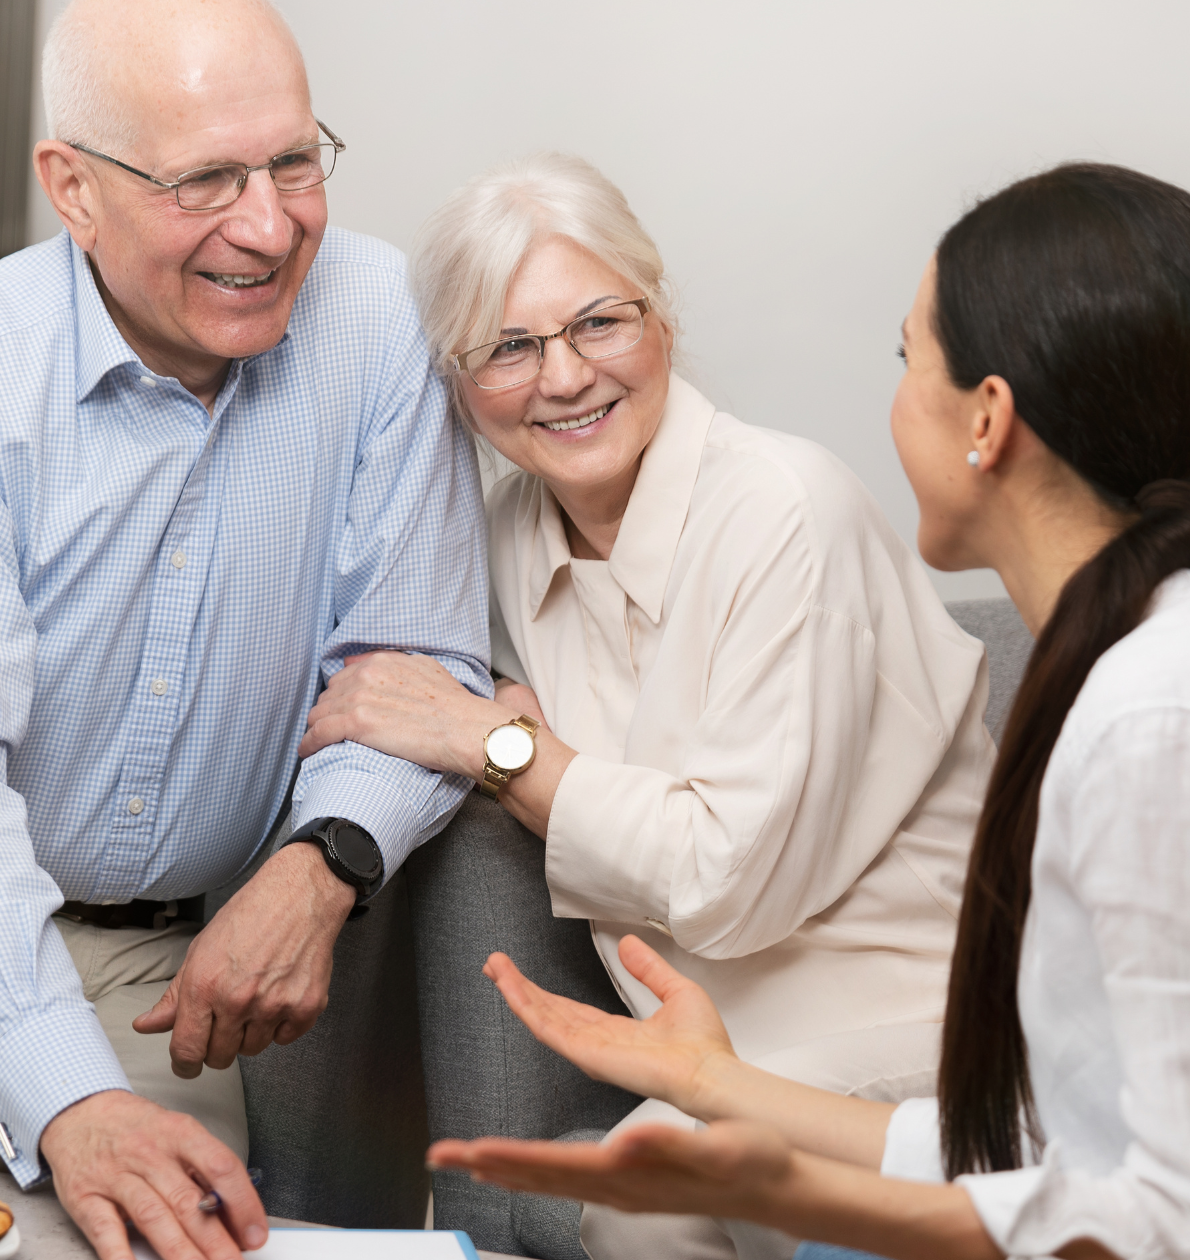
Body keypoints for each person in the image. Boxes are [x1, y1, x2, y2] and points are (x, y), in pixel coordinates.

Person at [426, 163, 1190, 1260]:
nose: (884, 407)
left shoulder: (1182, 729)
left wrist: (802, 1188)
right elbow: (1064, 1145)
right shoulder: (1146, 663)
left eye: (903, 360)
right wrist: (721, 1089)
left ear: (985, 422)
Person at [0, 3, 489, 1259]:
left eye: (290, 162)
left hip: (140, 940)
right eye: (205, 180)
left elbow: (416, 662)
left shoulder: (382, 322)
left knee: (187, 1208)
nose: (269, 227)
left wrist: (322, 861)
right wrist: (67, 1097)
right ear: (73, 187)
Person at [296, 152, 997, 1260]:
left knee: (656, 1199)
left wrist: (501, 743)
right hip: (707, 1040)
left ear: (659, 312)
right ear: (456, 380)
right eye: (508, 348)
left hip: (915, 1024)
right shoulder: (503, 532)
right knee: (640, 1200)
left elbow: (726, 884)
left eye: (598, 324)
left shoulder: (784, 510)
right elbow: (382, 699)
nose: (563, 378)